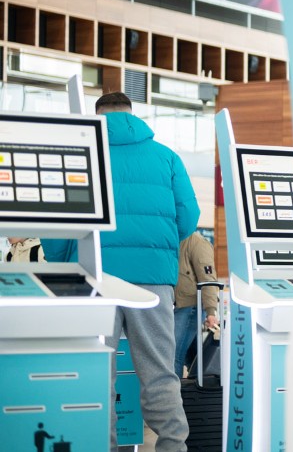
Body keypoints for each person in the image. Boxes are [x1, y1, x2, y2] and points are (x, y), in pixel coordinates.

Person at [44, 91, 198, 452]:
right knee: (160, 371)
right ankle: (173, 446)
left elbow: (56, 229)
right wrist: (155, 251)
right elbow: (188, 219)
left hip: (97, 279)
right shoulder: (168, 157)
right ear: (132, 114)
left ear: (96, 115)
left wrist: (65, 261)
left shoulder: (84, 154)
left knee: (99, 373)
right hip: (154, 282)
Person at [174, 231, 219, 376]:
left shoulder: (197, 242)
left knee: (174, 355)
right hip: (176, 306)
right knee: (192, 356)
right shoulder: (173, 238)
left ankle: (173, 397)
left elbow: (208, 278)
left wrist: (211, 311)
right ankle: (201, 392)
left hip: (190, 306)